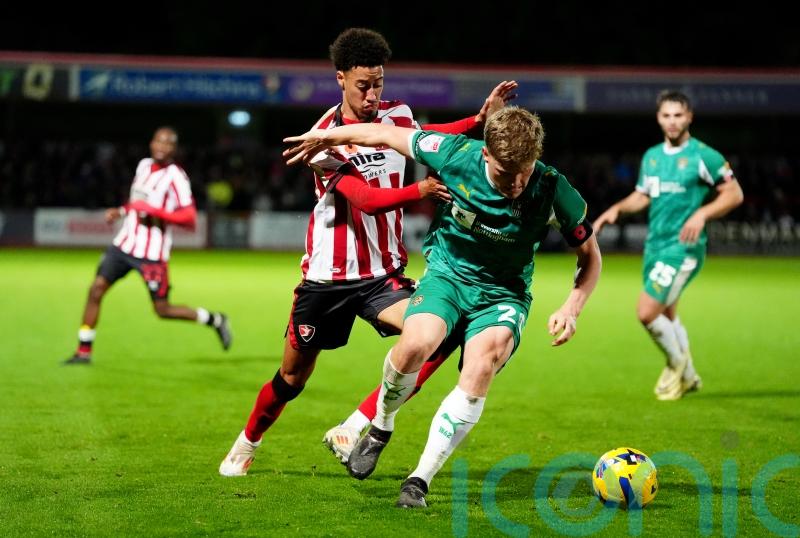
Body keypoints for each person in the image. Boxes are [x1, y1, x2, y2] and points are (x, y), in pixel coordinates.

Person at [218, 28, 517, 477]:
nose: (373, 93)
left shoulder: (397, 114)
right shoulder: (322, 138)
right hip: (327, 281)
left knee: (439, 333)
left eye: (378, 82)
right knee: (291, 380)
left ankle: (355, 425)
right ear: (341, 79)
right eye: (363, 84)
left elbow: (429, 137)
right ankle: (247, 442)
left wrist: (477, 121)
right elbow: (365, 199)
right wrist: (420, 188)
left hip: (382, 277)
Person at [282, 105, 602, 508]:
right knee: (415, 345)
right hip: (448, 276)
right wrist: (327, 137)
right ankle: (381, 425)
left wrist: (572, 306)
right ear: (485, 154)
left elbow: (590, 256)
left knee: (481, 365)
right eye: (506, 173)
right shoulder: (454, 154)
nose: (517, 183)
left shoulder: (554, 189)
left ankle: (420, 479)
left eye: (524, 170)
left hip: (503, 294)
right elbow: (387, 135)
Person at [594, 90, 744, 400]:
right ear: (659, 119)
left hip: (684, 247)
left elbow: (734, 194)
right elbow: (644, 195)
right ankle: (690, 379)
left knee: (647, 312)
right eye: (666, 115)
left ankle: (677, 364)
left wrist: (702, 214)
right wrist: (617, 209)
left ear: (689, 117)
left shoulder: (705, 156)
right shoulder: (652, 156)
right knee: (669, 314)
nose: (672, 121)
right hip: (656, 246)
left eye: (678, 115)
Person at [63, 127, 231, 365]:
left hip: (151, 254)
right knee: (96, 289)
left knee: (162, 310)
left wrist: (156, 212)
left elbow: (189, 218)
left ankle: (215, 320)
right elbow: (137, 202)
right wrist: (121, 211)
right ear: (152, 143)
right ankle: (83, 352)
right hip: (123, 245)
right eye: (158, 141)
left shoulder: (176, 177)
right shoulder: (143, 165)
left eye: (168, 143)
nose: (162, 146)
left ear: (174, 149)